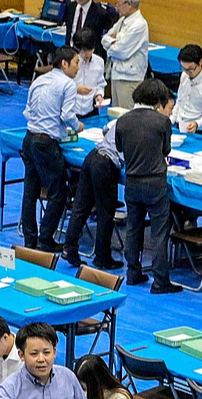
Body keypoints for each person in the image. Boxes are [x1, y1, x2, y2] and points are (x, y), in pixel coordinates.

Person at [69, 76, 176, 286]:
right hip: (154, 182)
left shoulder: (123, 120)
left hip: (133, 182)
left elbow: (119, 146)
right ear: (158, 100)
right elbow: (166, 150)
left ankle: (133, 272)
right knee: (159, 231)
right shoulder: (162, 122)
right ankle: (161, 280)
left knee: (133, 227)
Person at [18, 47, 83, 251]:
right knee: (58, 193)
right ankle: (45, 238)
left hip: (29, 138)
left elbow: (28, 111)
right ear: (64, 63)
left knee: (30, 191)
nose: (78, 67)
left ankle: (30, 239)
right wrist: (77, 125)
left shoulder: (39, 80)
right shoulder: (67, 84)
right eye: (76, 63)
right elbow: (66, 115)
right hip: (45, 143)